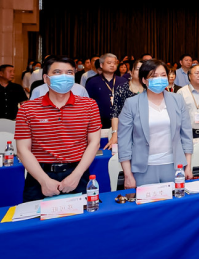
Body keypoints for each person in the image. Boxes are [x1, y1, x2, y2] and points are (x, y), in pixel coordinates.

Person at [15, 56, 101, 202]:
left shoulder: (89, 105)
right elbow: (23, 149)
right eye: (57, 72)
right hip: (39, 175)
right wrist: (44, 180)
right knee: (36, 216)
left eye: (69, 72)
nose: (64, 77)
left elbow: (94, 143)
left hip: (77, 174)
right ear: (45, 78)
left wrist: (76, 175)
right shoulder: (27, 109)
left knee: (80, 216)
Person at [118, 59, 193, 188]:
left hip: (175, 166)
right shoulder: (132, 104)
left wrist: (188, 166)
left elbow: (186, 135)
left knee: (175, 200)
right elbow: (124, 142)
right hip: (143, 168)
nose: (159, 79)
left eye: (163, 75)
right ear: (144, 80)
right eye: (154, 76)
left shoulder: (177, 100)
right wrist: (128, 174)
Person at [108, 58, 144, 151]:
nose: (140, 71)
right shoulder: (122, 88)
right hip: (125, 130)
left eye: (143, 69)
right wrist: (115, 133)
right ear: (131, 72)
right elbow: (115, 112)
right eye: (137, 69)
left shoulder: (149, 89)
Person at [85, 53, 127, 128]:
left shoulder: (123, 81)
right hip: (99, 122)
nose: (112, 65)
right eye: (109, 63)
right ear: (101, 65)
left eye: (114, 63)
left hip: (121, 122)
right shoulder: (92, 81)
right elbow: (87, 102)